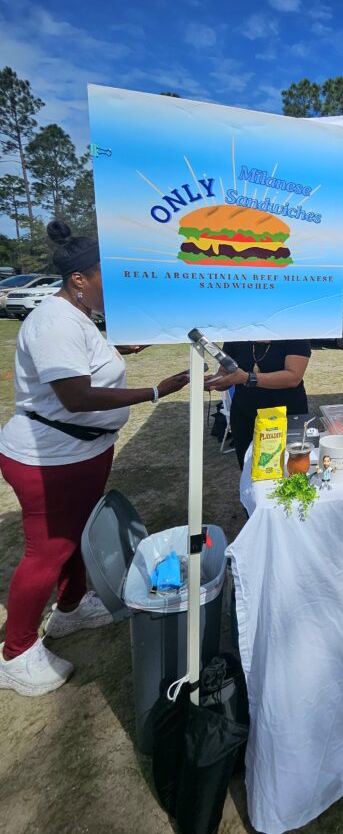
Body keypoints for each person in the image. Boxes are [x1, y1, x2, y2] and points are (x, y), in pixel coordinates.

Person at [0, 221, 189, 697]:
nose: (118, 286)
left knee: (77, 535)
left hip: (79, 453)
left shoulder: (77, 318)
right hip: (50, 458)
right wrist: (153, 390)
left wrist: (117, 349)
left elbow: (86, 365)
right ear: (79, 279)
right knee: (49, 550)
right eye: (109, 275)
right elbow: (76, 396)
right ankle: (15, 653)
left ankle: (70, 608)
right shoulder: (53, 321)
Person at [206, 339, 311, 469]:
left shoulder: (293, 332)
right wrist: (216, 381)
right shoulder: (238, 334)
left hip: (286, 414)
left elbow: (293, 377)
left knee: (288, 468)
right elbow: (225, 371)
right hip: (245, 414)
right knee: (248, 467)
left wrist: (249, 378)